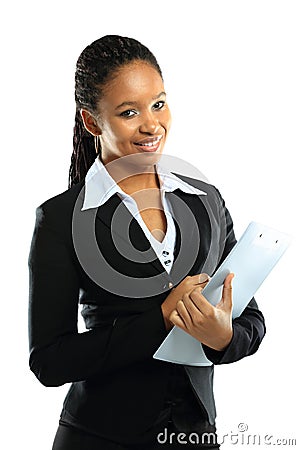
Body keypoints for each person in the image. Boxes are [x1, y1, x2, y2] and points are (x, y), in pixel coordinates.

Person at [28, 35, 266, 450]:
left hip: (194, 437)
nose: (151, 124)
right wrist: (161, 319)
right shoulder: (62, 218)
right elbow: (49, 361)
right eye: (128, 112)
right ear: (90, 122)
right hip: (101, 438)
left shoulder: (204, 199)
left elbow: (252, 322)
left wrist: (222, 336)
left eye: (158, 103)